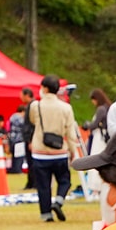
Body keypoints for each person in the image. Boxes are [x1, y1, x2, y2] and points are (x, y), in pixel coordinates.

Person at [28, 75, 82, 221]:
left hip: (40, 151)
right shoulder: (66, 108)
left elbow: (33, 121)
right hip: (59, 151)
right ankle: (58, 201)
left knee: (43, 185)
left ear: (44, 88)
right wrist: (72, 151)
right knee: (65, 180)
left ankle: (46, 214)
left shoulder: (36, 106)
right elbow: (70, 132)